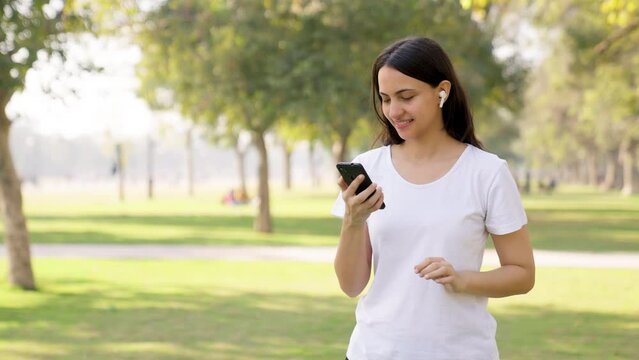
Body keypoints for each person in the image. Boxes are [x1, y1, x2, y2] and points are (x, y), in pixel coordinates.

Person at [331, 36, 535, 360]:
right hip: (374, 351)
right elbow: (351, 285)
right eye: (385, 99)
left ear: (442, 90)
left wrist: (462, 279)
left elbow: (523, 274)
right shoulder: (370, 168)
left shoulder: (487, 172)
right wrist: (353, 221)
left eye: (406, 96)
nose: (394, 111)